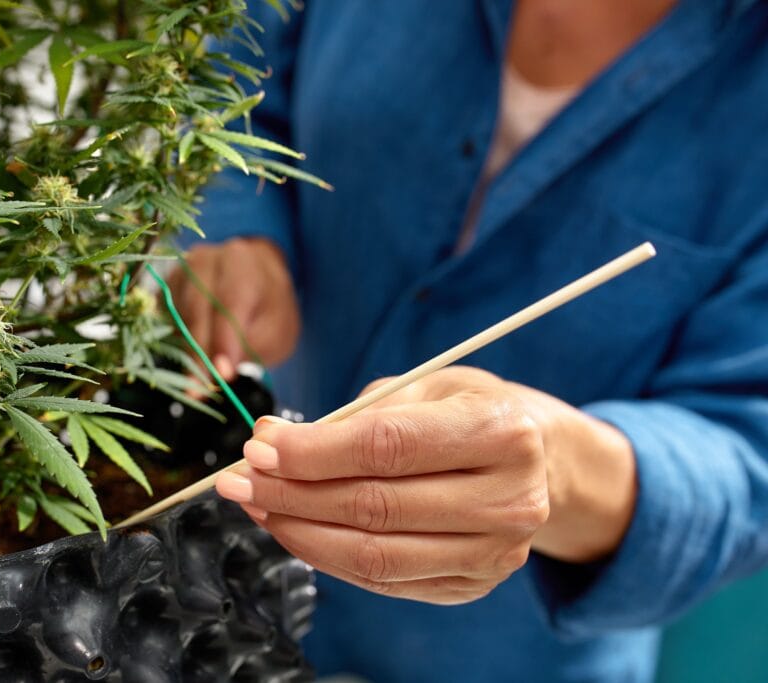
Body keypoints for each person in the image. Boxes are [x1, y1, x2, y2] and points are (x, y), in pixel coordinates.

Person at [171, 1, 768, 681]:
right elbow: (226, 70)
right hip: (221, 603)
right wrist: (237, 219)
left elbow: (749, 456)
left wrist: (560, 467)